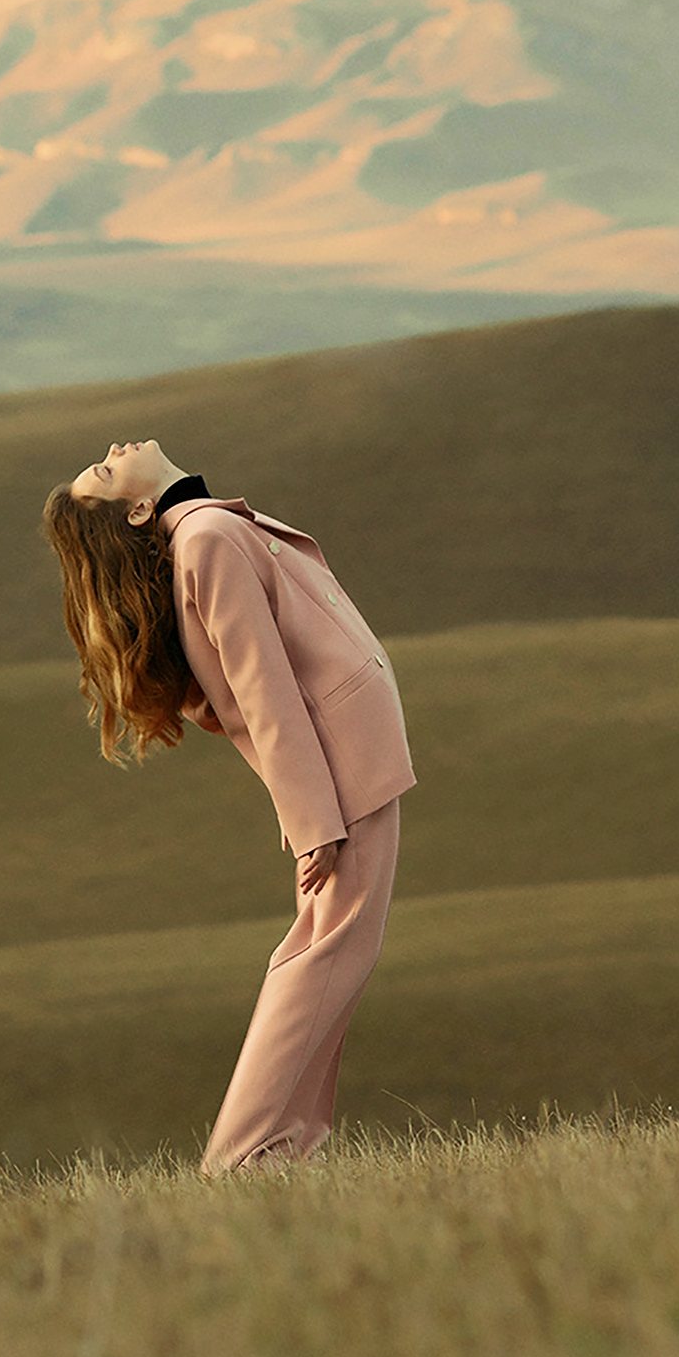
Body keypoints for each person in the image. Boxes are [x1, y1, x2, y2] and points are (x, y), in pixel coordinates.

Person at [41, 440, 416, 1176]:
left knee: (330, 950)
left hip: (344, 760)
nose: (116, 449)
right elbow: (260, 688)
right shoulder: (207, 539)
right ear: (139, 510)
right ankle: (244, 1154)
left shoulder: (202, 532)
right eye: (107, 471)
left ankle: (282, 1148)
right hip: (342, 764)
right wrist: (313, 821)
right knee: (327, 953)